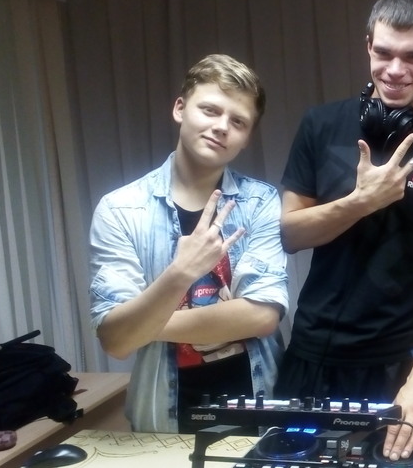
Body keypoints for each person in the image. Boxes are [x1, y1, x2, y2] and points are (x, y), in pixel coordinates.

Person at [276, 0, 413, 460]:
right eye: (384, 53)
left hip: (402, 367)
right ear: (368, 45)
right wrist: (360, 203)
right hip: (312, 355)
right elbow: (290, 234)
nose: (395, 69)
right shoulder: (320, 125)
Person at [88, 54, 288, 434]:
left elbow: (262, 316)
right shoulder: (120, 210)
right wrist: (181, 273)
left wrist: (145, 324)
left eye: (238, 121)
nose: (221, 127)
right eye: (210, 110)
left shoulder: (259, 201)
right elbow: (115, 342)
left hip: (258, 409)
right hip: (163, 418)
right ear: (180, 108)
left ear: (247, 138)